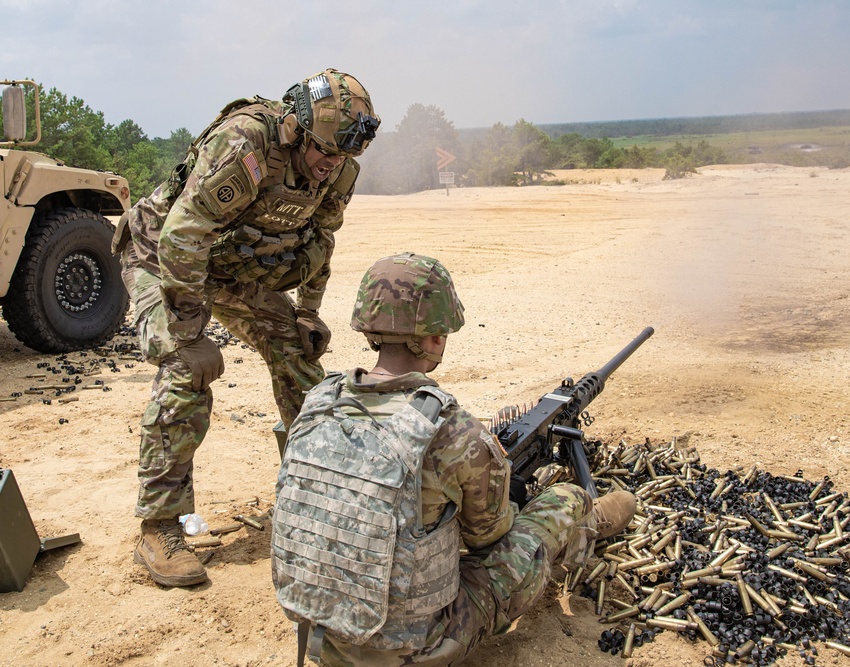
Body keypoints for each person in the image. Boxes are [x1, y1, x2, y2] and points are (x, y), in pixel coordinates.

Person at [271, 252, 637, 666]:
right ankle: (587, 523)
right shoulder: (453, 430)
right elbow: (490, 536)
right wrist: (503, 483)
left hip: (323, 635)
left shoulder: (317, 404)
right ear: (436, 337)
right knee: (563, 500)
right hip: (412, 647)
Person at [112, 68, 380, 588]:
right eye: (325, 150)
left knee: (297, 354)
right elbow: (181, 238)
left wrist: (307, 310)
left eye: (343, 156)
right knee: (187, 370)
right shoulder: (246, 144)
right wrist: (190, 335)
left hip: (226, 266)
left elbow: (319, 242)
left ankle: (317, 488)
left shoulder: (339, 168)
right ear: (298, 128)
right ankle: (160, 525)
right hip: (159, 254)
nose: (331, 165)